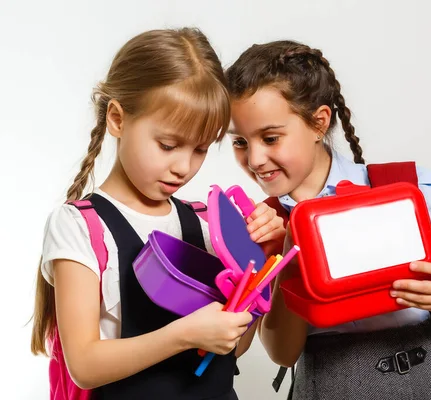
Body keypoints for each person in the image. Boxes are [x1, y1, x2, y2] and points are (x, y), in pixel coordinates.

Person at [224, 40, 431, 399]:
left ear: (319, 122)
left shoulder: (397, 188)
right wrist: (288, 256)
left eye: (270, 138)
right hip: (332, 386)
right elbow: (282, 353)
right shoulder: (263, 226)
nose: (255, 158)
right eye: (239, 141)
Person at [30, 28, 284, 400]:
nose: (183, 167)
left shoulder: (206, 222)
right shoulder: (81, 227)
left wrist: (261, 265)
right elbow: (84, 365)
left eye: (200, 150)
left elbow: (234, 348)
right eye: (168, 145)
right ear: (117, 119)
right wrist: (184, 335)